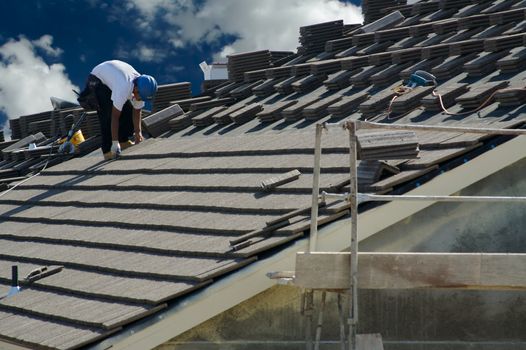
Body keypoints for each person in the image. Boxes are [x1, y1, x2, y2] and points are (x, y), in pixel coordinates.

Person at [84, 60, 157, 160]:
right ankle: (108, 150)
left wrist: (138, 133)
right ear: (136, 89)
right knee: (107, 114)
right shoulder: (124, 86)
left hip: (113, 77)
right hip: (97, 79)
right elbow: (115, 116)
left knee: (128, 111)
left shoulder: (141, 85)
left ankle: (123, 141)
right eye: (140, 97)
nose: (140, 99)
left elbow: (137, 111)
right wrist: (114, 143)